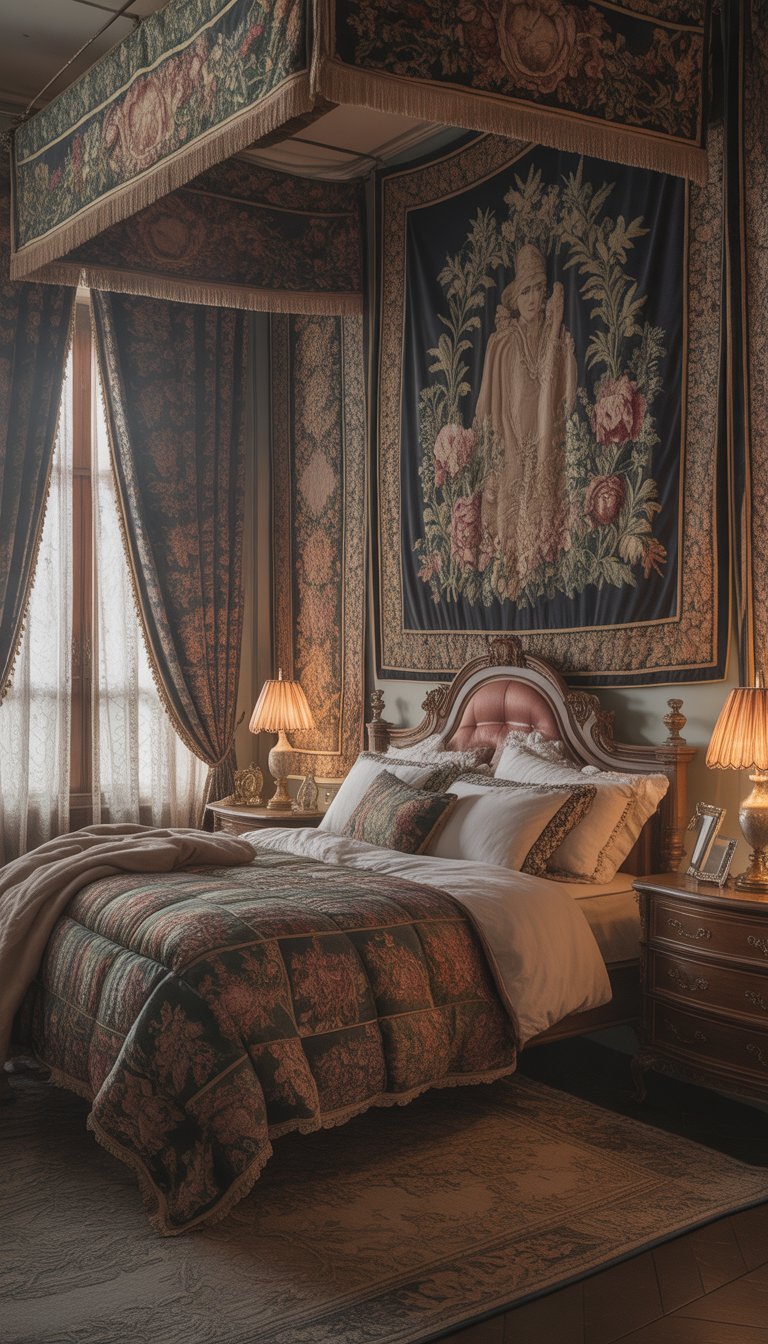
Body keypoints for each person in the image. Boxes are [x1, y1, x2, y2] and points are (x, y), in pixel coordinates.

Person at [475, 243, 577, 592]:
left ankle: (535, 571)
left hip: (544, 448)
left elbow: (557, 391)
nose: (534, 299)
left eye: (540, 290)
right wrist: (507, 453)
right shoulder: (504, 343)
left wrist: (557, 323)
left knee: (543, 512)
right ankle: (510, 574)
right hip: (514, 447)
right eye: (527, 291)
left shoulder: (554, 339)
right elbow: (498, 405)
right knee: (511, 509)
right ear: (515, 298)